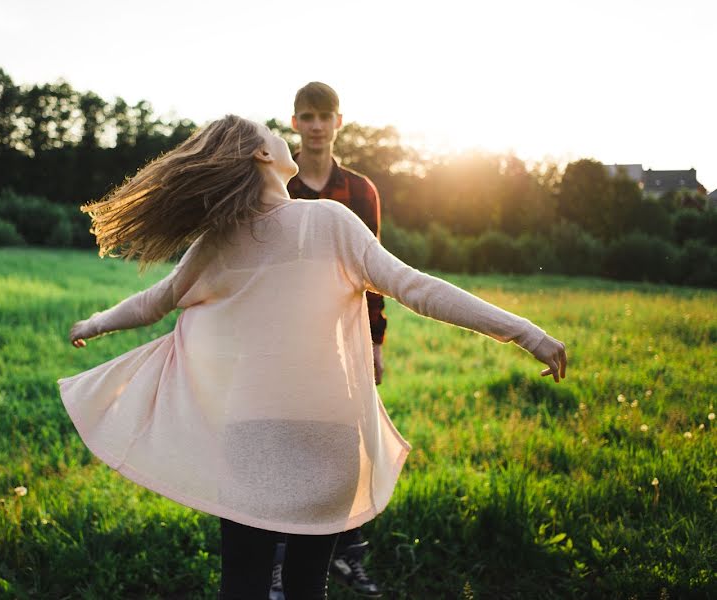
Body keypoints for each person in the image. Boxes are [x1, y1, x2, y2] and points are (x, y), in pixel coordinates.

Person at [59, 115, 568, 600]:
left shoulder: (216, 244)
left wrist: (95, 323)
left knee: (243, 585)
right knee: (307, 588)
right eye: (271, 133)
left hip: (250, 432)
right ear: (263, 153)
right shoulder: (328, 221)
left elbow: (154, 303)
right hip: (329, 434)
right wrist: (524, 332)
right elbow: (417, 288)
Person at [272, 81, 386, 598]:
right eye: (307, 116)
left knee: (344, 448)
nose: (316, 125)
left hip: (344, 342)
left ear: (339, 122)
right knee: (284, 445)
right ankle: (276, 563)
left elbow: (373, 272)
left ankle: (346, 554)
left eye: (326, 116)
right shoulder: (274, 184)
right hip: (281, 340)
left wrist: (376, 341)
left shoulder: (361, 191)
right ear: (294, 122)